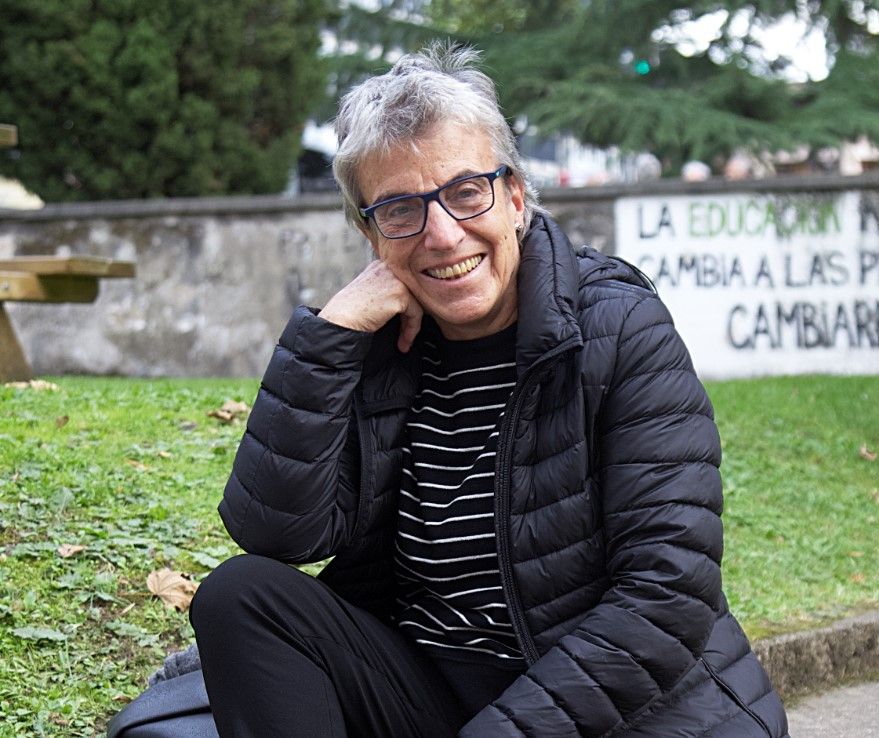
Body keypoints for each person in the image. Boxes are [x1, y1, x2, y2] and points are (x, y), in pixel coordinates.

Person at [190, 42, 789, 738]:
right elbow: (275, 533)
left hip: (619, 712)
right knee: (241, 596)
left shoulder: (616, 326)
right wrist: (330, 336)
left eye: (465, 192)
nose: (441, 235)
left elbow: (666, 597)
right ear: (370, 233)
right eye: (400, 210)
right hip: (437, 690)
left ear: (514, 196)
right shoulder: (377, 345)